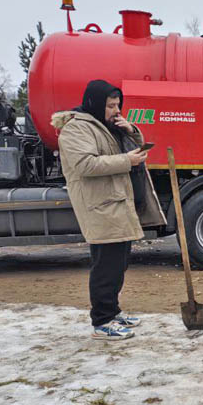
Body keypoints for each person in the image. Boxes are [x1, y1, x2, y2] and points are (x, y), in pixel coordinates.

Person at [51, 80, 166, 340]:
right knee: (106, 266)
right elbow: (84, 164)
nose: (116, 110)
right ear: (94, 103)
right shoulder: (77, 128)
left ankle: (112, 312)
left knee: (119, 263)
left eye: (118, 105)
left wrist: (132, 132)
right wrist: (127, 161)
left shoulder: (107, 126)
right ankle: (102, 322)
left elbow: (128, 151)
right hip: (100, 206)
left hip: (117, 203)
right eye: (110, 105)